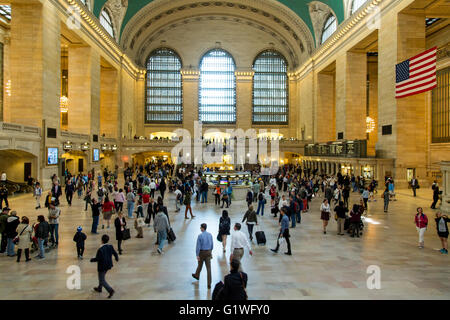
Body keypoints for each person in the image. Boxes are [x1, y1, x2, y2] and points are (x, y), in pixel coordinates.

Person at [91, 234, 119, 298]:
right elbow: (115, 253)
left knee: (102, 280)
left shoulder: (100, 249)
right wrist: (116, 258)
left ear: (102, 240)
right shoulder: (110, 246)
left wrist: (92, 260)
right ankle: (99, 288)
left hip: (102, 266)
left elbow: (98, 258)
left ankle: (110, 290)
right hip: (108, 265)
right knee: (101, 277)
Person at [192, 223, 214, 289]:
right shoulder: (210, 235)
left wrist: (197, 255)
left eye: (200, 227)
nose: (200, 228)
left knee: (200, 265)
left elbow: (198, 246)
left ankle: (197, 275)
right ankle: (209, 283)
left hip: (202, 252)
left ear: (202, 228)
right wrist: (211, 251)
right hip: (208, 252)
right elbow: (212, 244)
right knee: (208, 268)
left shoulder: (200, 236)